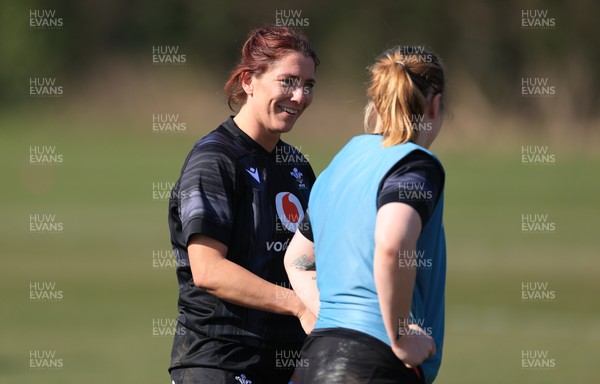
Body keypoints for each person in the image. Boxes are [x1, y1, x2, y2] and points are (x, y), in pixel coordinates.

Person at [284, 45, 447, 384]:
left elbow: (297, 258)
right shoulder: (414, 164)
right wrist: (400, 336)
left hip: (313, 360)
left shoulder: (341, 163)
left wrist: (332, 315)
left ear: (376, 102)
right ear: (435, 105)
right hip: (372, 366)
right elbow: (392, 242)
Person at [168, 25, 319, 384]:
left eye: (308, 85)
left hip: (286, 365)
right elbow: (208, 271)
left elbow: (311, 261)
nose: (299, 96)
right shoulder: (215, 161)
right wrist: (297, 305)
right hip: (219, 363)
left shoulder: (297, 166)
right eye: (287, 81)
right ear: (249, 81)